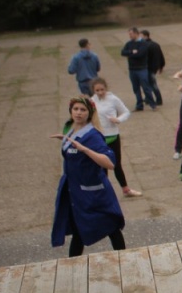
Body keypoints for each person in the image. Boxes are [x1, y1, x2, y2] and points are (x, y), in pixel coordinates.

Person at [50, 97, 126, 256]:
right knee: (79, 229)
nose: (78, 113)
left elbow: (110, 163)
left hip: (94, 193)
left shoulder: (92, 135)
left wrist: (85, 149)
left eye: (83, 110)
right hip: (76, 192)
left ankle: (124, 258)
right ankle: (72, 264)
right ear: (70, 111)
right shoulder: (70, 129)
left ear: (90, 113)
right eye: (75, 109)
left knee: (110, 226)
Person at [90, 77, 142, 197]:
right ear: (93, 90)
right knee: (102, 165)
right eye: (97, 90)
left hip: (112, 135)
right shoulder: (92, 101)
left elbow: (126, 112)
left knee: (116, 164)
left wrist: (118, 119)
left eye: (102, 90)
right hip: (99, 136)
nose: (100, 92)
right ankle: (104, 192)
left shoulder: (113, 99)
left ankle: (126, 189)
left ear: (106, 88)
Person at [121, 27, 157, 111]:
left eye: (131, 34)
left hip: (142, 69)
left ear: (136, 33)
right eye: (129, 34)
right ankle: (139, 105)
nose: (129, 36)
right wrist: (131, 52)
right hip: (132, 69)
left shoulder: (143, 43)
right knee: (136, 88)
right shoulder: (129, 43)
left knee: (145, 87)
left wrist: (130, 54)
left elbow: (140, 54)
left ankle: (152, 104)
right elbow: (122, 52)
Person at [142, 30, 165, 107]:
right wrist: (161, 65)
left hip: (149, 68)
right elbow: (161, 56)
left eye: (141, 36)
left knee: (152, 84)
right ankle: (148, 98)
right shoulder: (156, 44)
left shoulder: (145, 46)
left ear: (145, 36)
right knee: (150, 83)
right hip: (154, 67)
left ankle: (158, 100)